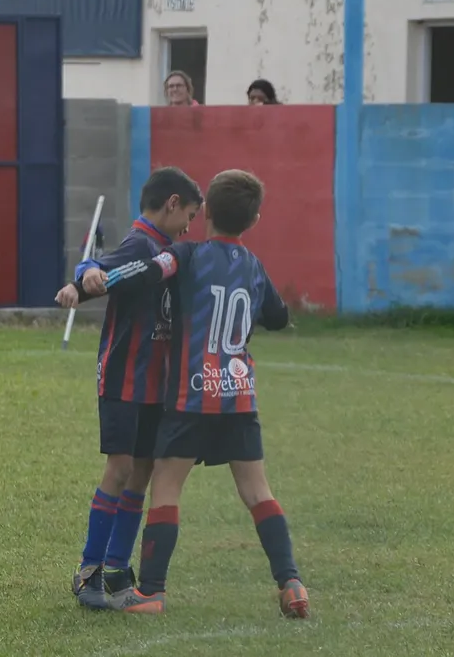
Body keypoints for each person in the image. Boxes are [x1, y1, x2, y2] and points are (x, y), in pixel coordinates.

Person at [94, 169, 308, 618]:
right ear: (253, 220)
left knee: (166, 488)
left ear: (205, 210)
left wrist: (92, 276)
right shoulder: (253, 265)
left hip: (191, 397)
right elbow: (277, 314)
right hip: (238, 396)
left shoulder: (187, 254)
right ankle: (291, 582)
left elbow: (154, 269)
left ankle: (151, 592)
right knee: (257, 491)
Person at [54, 167, 203, 610]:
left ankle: (118, 568)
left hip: (155, 383)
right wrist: (82, 279)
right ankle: (88, 570)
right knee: (120, 469)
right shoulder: (142, 243)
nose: (190, 227)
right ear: (172, 203)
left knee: (142, 472)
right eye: (189, 215)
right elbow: (102, 272)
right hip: (123, 376)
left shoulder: (165, 248)